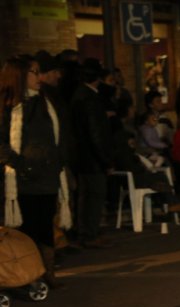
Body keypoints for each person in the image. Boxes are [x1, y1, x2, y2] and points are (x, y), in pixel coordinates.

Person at [0, 54, 71, 288]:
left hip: (48, 176)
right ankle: (26, 275)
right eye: (34, 71)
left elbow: (57, 137)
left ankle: (47, 272)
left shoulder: (46, 101)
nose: (39, 77)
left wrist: (59, 160)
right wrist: (22, 166)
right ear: (20, 75)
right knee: (26, 229)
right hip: (23, 179)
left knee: (45, 226)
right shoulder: (8, 105)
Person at [70, 58, 114, 248]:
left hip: (81, 155)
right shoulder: (90, 99)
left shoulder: (78, 96)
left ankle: (85, 231)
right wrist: (105, 160)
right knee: (95, 195)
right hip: (92, 157)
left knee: (85, 195)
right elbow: (96, 133)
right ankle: (90, 233)